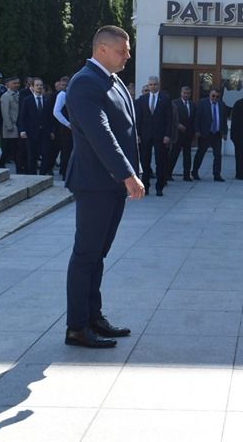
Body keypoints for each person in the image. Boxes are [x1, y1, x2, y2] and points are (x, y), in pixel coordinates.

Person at [65, 25, 144, 348]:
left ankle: (93, 317)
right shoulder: (85, 83)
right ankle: (77, 326)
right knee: (86, 254)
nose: (128, 55)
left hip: (111, 184)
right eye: (122, 50)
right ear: (102, 50)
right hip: (95, 183)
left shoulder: (112, 82)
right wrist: (128, 174)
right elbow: (101, 135)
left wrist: (130, 173)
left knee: (99, 254)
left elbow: (126, 131)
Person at [134, 76, 173, 196]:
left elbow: (169, 119)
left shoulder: (165, 99)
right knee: (145, 162)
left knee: (160, 162)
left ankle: (159, 187)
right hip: (145, 135)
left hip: (160, 136)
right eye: (151, 85)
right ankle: (145, 186)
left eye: (155, 84)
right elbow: (138, 119)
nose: (153, 87)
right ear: (148, 85)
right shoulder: (142, 99)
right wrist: (138, 134)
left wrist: (168, 135)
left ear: (159, 85)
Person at [17, 78, 54, 175]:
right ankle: (32, 175)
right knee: (32, 155)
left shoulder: (47, 100)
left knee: (46, 155)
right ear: (32, 87)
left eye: (41, 85)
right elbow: (22, 116)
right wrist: (22, 130)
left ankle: (42, 174)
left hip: (44, 132)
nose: (39, 87)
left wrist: (52, 131)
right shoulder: (27, 100)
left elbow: (50, 117)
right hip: (31, 132)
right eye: (37, 85)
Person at [192, 87, 227, 182]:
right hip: (205, 133)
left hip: (217, 134)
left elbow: (224, 120)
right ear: (209, 95)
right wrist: (197, 131)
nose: (215, 98)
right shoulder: (203, 103)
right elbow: (197, 118)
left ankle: (217, 174)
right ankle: (194, 172)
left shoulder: (221, 104)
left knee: (218, 155)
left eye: (217, 96)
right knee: (201, 153)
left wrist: (224, 133)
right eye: (213, 96)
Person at [0, 77, 25, 172]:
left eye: (18, 83)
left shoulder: (19, 94)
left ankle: (18, 166)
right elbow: (5, 112)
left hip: (18, 125)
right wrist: (9, 125)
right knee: (9, 148)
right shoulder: (6, 96)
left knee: (15, 148)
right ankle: (1, 164)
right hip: (10, 126)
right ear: (8, 85)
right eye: (14, 83)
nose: (17, 85)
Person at [169, 85, 196, 181]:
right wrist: (177, 125)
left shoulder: (192, 104)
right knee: (174, 154)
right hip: (177, 134)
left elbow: (193, 119)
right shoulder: (174, 103)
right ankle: (168, 174)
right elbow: (170, 118)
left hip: (188, 134)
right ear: (181, 93)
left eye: (188, 93)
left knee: (187, 155)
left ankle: (186, 175)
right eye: (184, 93)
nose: (186, 95)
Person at [52, 76, 72, 178]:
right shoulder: (62, 94)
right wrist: (68, 124)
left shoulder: (73, 93)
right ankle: (65, 173)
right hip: (66, 128)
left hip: (74, 128)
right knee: (66, 151)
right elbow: (56, 112)